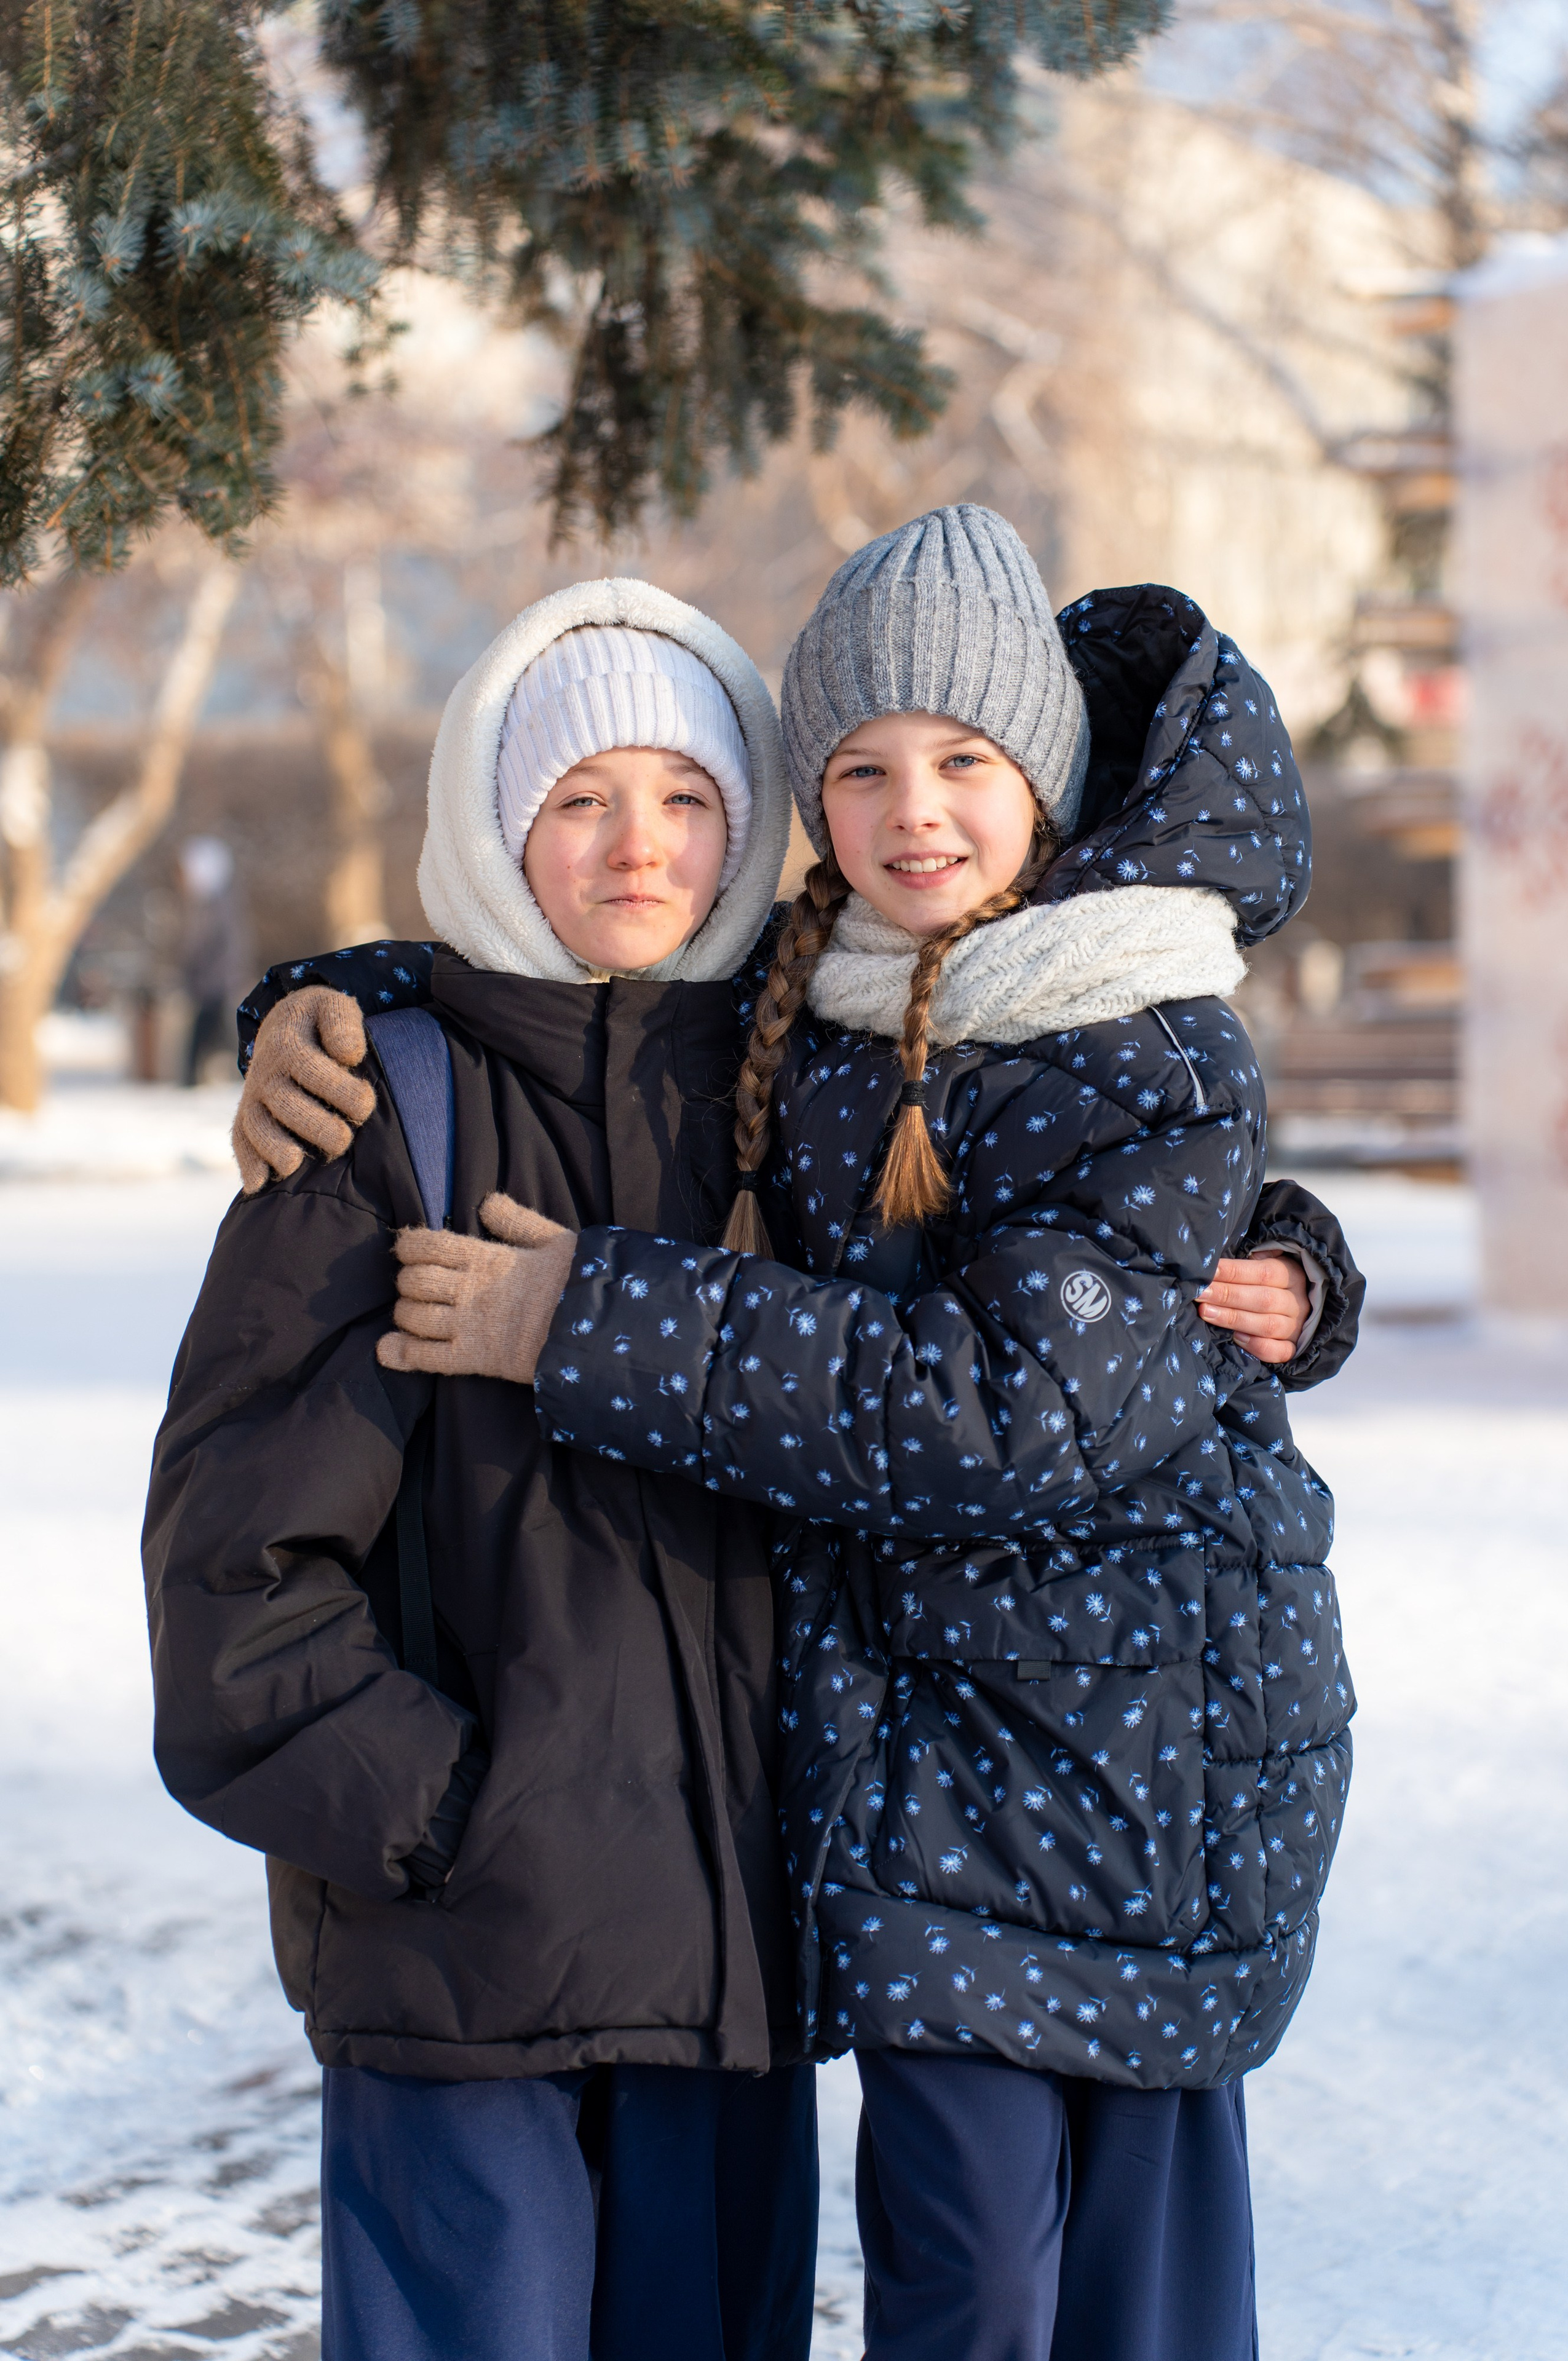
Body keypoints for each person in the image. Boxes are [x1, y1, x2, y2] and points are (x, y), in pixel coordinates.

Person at [229, 515, 1364, 2361]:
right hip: (829, 1810)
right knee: (962, 2272)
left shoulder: (1106, 1013)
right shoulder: (799, 1010)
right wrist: (299, 1002)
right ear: (814, 811)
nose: (913, 809)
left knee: (1091, 2287)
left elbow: (1025, 1370)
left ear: (1046, 783)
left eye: (964, 761)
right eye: (858, 768)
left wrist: (580, 1313)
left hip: (1122, 1763)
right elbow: (521, 986)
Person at [145, 582, 819, 2361]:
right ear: (498, 818)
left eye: (684, 797)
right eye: (581, 796)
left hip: (738, 1995)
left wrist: (1286, 1240)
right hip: (463, 1978)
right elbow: (234, 1582)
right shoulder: (376, 1110)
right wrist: (448, 1816)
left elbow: (1050, 1219)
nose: (639, 845)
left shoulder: (800, 1104)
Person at [176, 835, 251, 1086]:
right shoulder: (219, 903)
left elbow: (204, 945)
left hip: (214, 982)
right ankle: (197, 1076)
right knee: (213, 1031)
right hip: (216, 981)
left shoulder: (214, 906)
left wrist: (193, 971)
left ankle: (195, 1078)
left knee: (212, 1032)